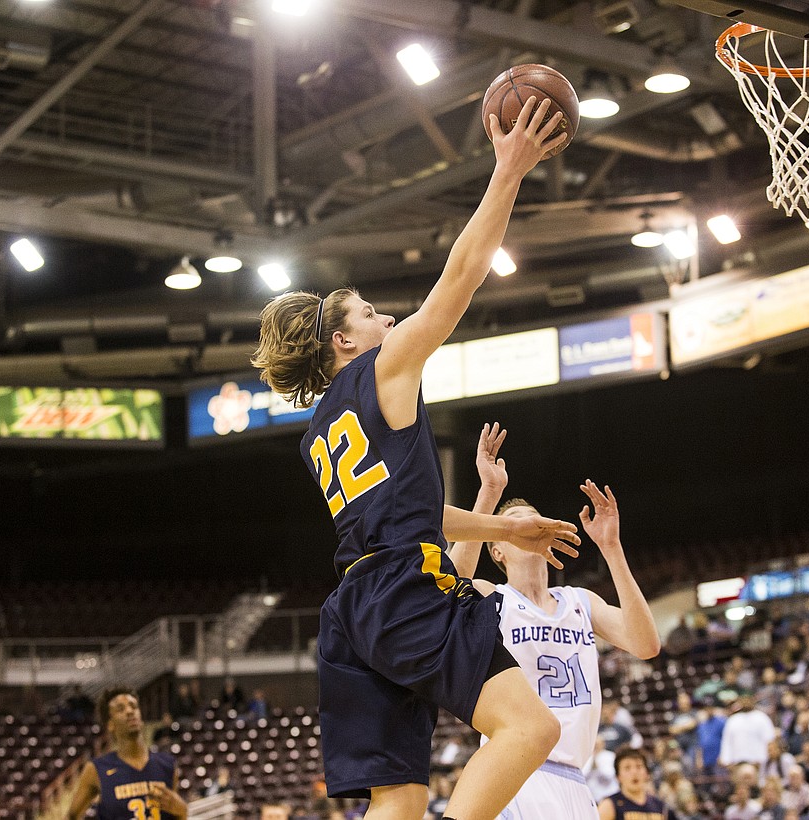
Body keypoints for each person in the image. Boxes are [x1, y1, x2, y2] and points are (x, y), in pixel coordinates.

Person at [251, 95, 577, 820]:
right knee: (530, 728)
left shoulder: (318, 433)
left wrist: (504, 529)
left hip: (352, 613)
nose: (388, 320)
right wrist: (509, 172)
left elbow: (413, 511)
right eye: (369, 313)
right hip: (403, 590)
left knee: (398, 800)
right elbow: (459, 279)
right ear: (342, 341)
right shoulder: (382, 370)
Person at [448, 424, 661, 819]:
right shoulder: (493, 598)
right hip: (517, 770)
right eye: (517, 523)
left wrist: (612, 548)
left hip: (574, 779)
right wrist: (489, 493)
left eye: (536, 520)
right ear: (497, 549)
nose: (531, 525)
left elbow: (646, 644)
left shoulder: (579, 602)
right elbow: (446, 586)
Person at [66, 687, 188, 820]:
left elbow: (177, 815)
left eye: (134, 706)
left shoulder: (167, 764)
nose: (130, 711)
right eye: (120, 709)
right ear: (110, 724)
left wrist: (182, 811)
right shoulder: (96, 769)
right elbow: (71, 816)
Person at [599, 747, 678, 820]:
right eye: (627, 768)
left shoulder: (661, 807)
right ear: (618, 776)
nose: (634, 772)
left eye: (639, 766)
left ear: (647, 774)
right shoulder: (609, 805)